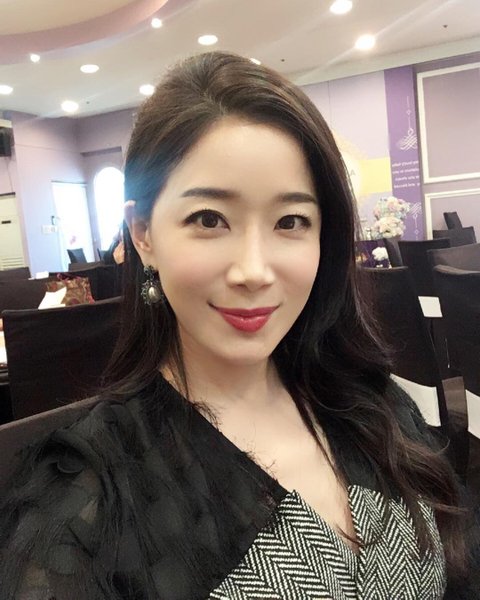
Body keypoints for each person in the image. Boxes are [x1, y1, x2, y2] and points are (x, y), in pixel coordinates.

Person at [0, 51, 477, 599]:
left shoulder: (373, 406)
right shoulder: (86, 500)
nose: (253, 271)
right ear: (143, 232)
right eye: (209, 219)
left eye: (291, 220)